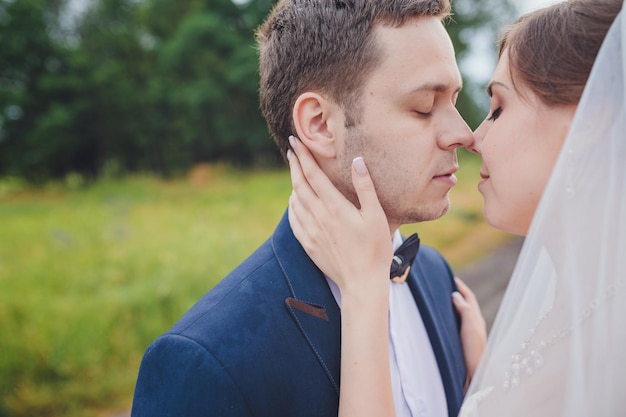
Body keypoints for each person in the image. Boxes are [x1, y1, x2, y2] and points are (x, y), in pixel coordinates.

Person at [131, 1, 477, 416]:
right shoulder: (204, 360)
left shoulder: (439, 279)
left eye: (454, 100)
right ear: (319, 124)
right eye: (424, 106)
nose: (462, 133)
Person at [286, 0, 625, 416]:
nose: (470, 136)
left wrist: (363, 292)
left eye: (498, 109)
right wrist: (492, 386)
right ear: (318, 123)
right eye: (425, 107)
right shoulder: (569, 315)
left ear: (589, 123)